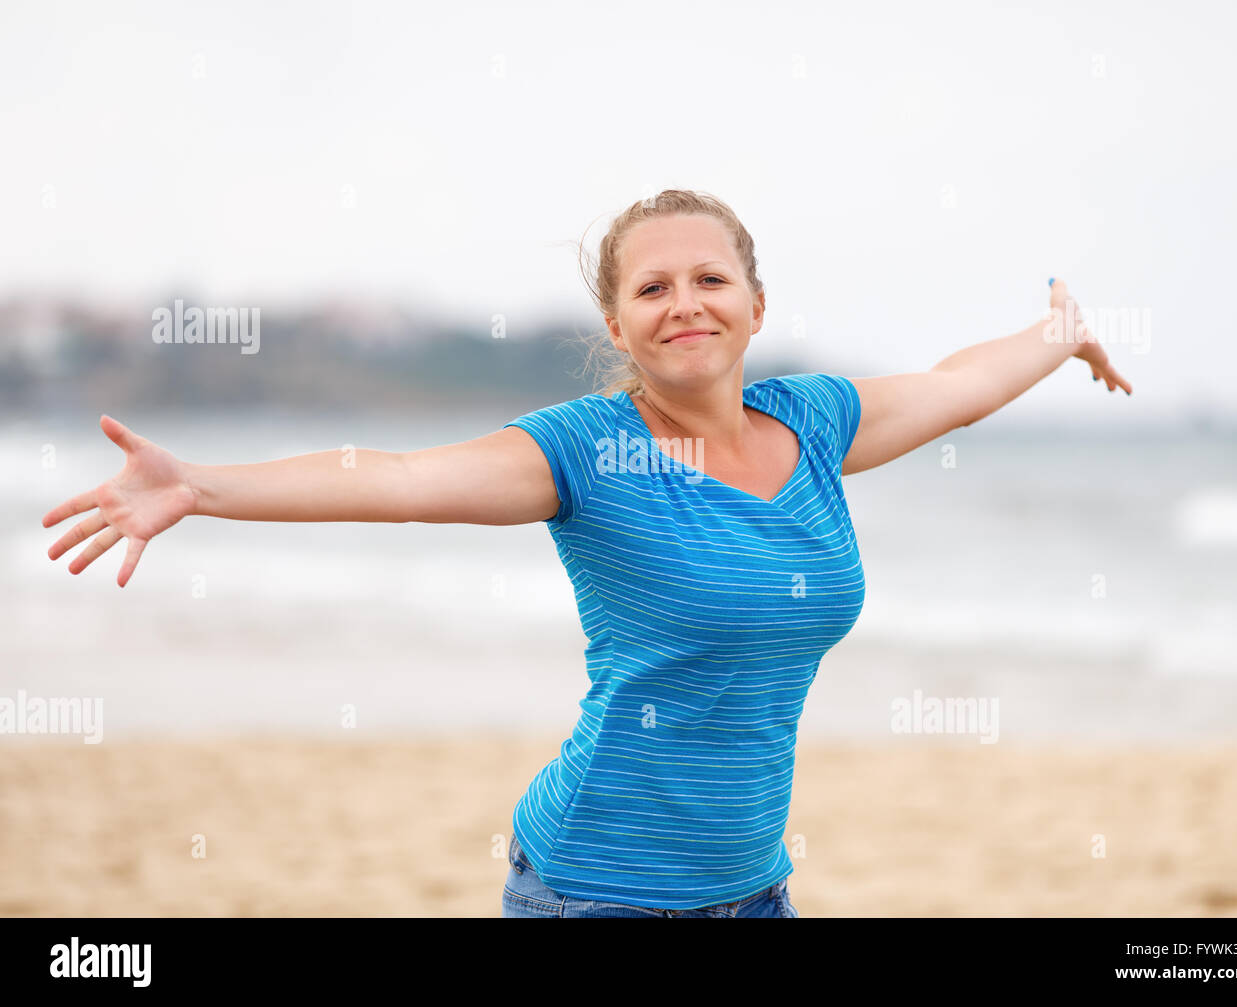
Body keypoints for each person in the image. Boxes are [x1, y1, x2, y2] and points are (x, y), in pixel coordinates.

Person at [42, 189, 1132, 918]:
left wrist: (1057, 334)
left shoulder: (817, 423)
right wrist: (203, 486)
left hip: (753, 886)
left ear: (756, 304)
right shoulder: (587, 450)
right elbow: (399, 478)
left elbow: (952, 387)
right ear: (618, 325)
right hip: (598, 886)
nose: (683, 303)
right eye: (650, 288)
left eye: (708, 278)